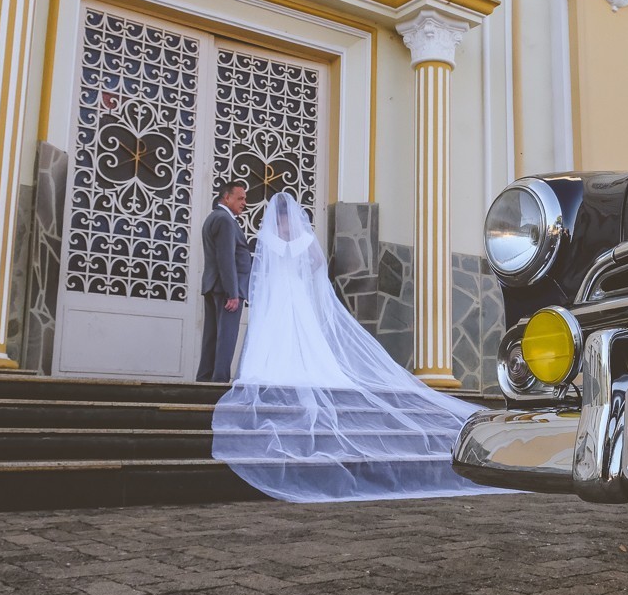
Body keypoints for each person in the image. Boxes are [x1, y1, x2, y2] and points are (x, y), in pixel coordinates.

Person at [211, 192, 510, 502]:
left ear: (276, 216)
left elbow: (260, 273)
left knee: (275, 336)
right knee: (304, 338)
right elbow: (316, 265)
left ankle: (270, 368)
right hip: (296, 294)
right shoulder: (303, 239)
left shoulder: (268, 239)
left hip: (277, 296)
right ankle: (303, 368)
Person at [197, 180, 252, 383]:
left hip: (214, 286)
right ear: (226, 197)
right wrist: (233, 293)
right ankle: (218, 381)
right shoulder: (225, 220)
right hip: (226, 289)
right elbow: (226, 257)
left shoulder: (215, 217)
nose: (244, 202)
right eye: (240, 198)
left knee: (212, 336)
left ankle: (204, 378)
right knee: (226, 337)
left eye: (245, 198)